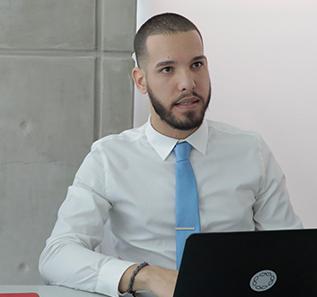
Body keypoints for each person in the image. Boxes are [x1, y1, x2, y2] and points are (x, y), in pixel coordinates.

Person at [39, 12, 302, 297]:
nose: (188, 82)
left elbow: (295, 253)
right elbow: (57, 256)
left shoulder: (251, 151)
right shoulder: (108, 158)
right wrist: (146, 276)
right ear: (140, 81)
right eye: (167, 69)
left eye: (196, 64)